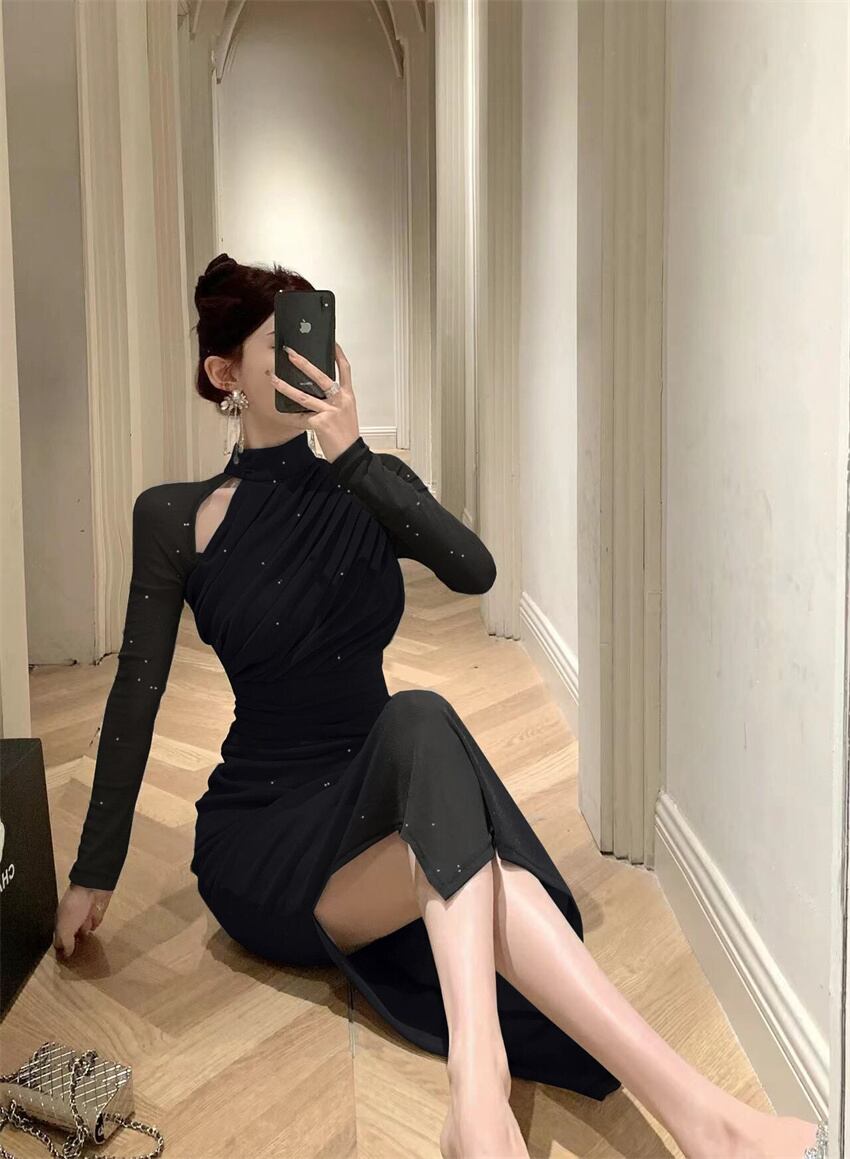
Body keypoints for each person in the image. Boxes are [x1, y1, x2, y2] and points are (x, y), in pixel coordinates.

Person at [54, 255, 826, 1159]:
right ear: (226, 374)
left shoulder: (367, 482)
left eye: (316, 338)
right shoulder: (174, 516)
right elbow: (135, 695)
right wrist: (93, 872)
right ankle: (670, 1113)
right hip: (263, 839)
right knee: (453, 805)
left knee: (423, 738)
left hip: (387, 799)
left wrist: (353, 456)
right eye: (279, 346)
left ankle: (539, 1102)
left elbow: (475, 569)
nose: (309, 361)